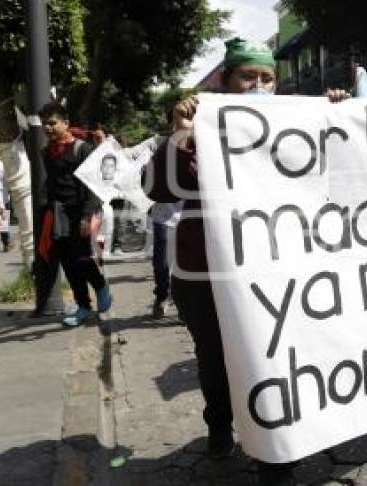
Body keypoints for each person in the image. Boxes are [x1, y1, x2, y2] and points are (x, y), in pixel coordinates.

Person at [145, 37, 287, 475]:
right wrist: (183, 131)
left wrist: (338, 111)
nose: (258, 86)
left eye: (267, 78)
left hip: (272, 265)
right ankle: (220, 425)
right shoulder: (198, 126)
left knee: (271, 355)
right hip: (205, 269)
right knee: (215, 355)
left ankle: (275, 446)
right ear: (226, 82)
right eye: (248, 77)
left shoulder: (290, 123)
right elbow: (160, 187)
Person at [36, 102, 112, 326]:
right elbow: (51, 184)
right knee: (68, 263)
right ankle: (83, 307)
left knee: (81, 258)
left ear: (65, 123)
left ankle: (100, 286)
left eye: (52, 123)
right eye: (44, 125)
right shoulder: (46, 152)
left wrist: (87, 216)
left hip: (79, 212)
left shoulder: (82, 149)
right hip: (57, 214)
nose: (47, 128)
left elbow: (93, 185)